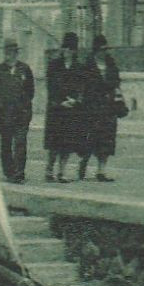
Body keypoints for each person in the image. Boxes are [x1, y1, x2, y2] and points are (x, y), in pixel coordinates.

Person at [0, 39, 34, 184]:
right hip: (4, 113)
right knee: (6, 143)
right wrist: (0, 104)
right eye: (7, 52)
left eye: (12, 52)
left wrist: (24, 105)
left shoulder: (24, 69)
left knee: (20, 142)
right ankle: (9, 172)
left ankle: (19, 173)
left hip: (21, 113)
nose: (9, 55)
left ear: (16, 53)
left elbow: (31, 91)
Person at [77, 35, 123, 182]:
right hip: (93, 107)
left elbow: (116, 83)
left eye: (106, 49)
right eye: (101, 49)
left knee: (107, 139)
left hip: (108, 107)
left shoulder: (111, 64)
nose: (104, 52)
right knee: (90, 138)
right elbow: (83, 87)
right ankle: (84, 161)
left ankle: (101, 171)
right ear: (96, 50)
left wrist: (117, 97)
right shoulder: (88, 66)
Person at [42, 32, 83, 183]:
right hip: (56, 110)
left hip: (71, 109)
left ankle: (62, 172)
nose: (68, 52)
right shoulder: (54, 65)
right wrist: (60, 102)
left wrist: (75, 100)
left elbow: (81, 87)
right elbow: (51, 87)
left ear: (74, 51)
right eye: (65, 49)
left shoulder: (78, 67)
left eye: (71, 49)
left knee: (67, 142)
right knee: (54, 143)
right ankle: (49, 170)